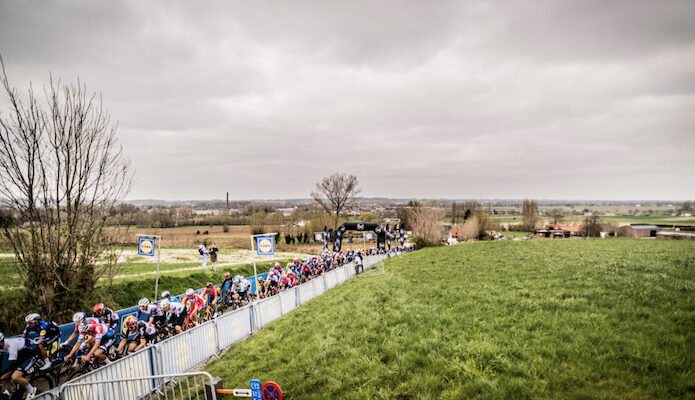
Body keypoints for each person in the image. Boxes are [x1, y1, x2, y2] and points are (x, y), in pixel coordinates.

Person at [0, 332, 40, 398]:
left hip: (31, 352)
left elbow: (12, 364)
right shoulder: (1, 346)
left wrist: (6, 372)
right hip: (21, 355)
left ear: (2, 341)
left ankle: (32, 390)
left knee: (15, 377)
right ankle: (6, 393)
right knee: (3, 377)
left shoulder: (11, 345)